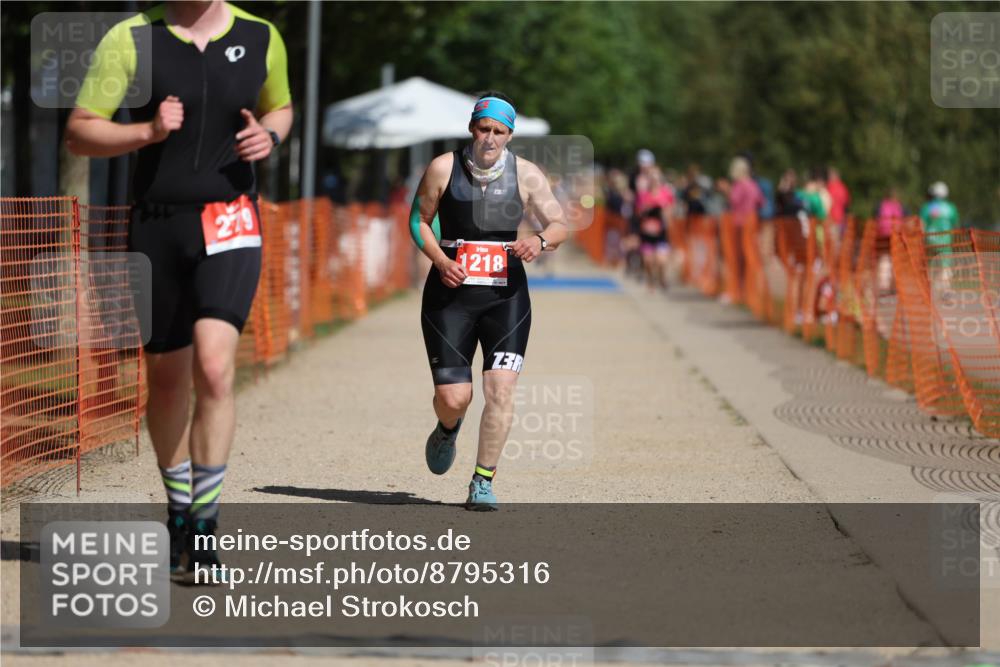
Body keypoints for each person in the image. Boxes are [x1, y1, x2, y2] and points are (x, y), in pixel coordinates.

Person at [65, 0, 292, 579]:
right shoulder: (131, 39)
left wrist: (270, 135)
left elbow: (282, 108)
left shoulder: (260, 35)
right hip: (157, 224)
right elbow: (80, 132)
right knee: (166, 379)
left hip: (231, 220)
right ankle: (178, 511)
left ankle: (207, 526)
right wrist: (147, 129)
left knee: (215, 368)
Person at [410, 92, 567, 510]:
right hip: (450, 294)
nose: (490, 138)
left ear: (510, 135)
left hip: (506, 297)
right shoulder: (443, 168)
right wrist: (441, 260)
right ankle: (447, 428)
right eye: (484, 129)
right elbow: (418, 221)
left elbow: (559, 223)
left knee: (500, 389)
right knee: (454, 397)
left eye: (499, 131)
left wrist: (539, 240)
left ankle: (482, 480)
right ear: (471, 128)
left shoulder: (527, 174)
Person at [634, 167, 673, 290]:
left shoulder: (666, 193)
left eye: (656, 178)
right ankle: (650, 280)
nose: (654, 180)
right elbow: (639, 214)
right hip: (647, 233)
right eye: (652, 178)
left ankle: (662, 278)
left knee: (661, 261)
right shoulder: (643, 195)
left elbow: (670, 212)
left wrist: (664, 211)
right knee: (648, 261)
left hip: (661, 232)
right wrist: (647, 208)